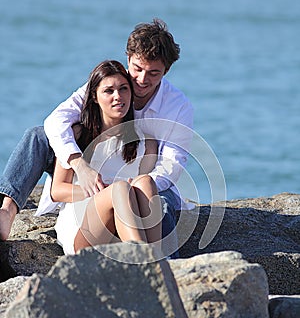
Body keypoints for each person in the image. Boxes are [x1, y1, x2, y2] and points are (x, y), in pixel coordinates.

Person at [0, 18, 193, 258]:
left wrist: (136, 191)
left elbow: (171, 165)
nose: (142, 80)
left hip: (149, 182)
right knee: (38, 135)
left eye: (153, 73)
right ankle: (7, 209)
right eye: (137, 69)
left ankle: (163, 266)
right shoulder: (108, 85)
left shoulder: (174, 109)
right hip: (91, 198)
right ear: (128, 60)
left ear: (166, 70)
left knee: (155, 199)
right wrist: (80, 165)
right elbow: (55, 121)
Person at [38, 60, 162, 254]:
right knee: (119, 189)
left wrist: (125, 194)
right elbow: (58, 190)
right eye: (108, 91)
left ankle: (157, 256)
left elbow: (143, 198)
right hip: (84, 228)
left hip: (124, 227)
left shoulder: (147, 143)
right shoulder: (77, 135)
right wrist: (104, 191)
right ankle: (144, 261)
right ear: (95, 96)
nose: (118, 97)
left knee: (145, 182)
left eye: (123, 89)